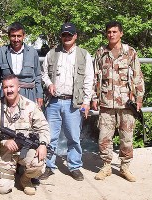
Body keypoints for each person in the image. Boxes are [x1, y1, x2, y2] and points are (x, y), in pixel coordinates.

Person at [39, 22, 94, 181]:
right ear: (61, 36)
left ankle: (74, 166)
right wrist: (49, 84)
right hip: (54, 102)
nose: (67, 37)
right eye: (64, 34)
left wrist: (86, 101)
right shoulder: (52, 53)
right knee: (50, 136)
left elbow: (89, 79)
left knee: (74, 137)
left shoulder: (84, 55)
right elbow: (43, 74)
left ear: (75, 36)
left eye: (70, 34)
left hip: (74, 103)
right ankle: (48, 166)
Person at [92, 21, 145, 182]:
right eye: (109, 32)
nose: (111, 34)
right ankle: (106, 166)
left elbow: (138, 76)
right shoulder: (100, 52)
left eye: (115, 32)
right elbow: (94, 77)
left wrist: (139, 98)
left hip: (126, 103)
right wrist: (94, 98)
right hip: (106, 103)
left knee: (126, 137)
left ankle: (125, 167)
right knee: (104, 137)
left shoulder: (130, 53)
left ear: (121, 33)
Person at [0, 74, 50, 195]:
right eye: (5, 87)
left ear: (18, 87)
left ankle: (25, 179)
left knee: (39, 164)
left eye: (11, 86)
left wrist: (43, 144)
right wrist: (4, 141)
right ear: (2, 89)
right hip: (4, 151)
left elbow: (44, 128)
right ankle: (3, 170)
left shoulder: (30, 106)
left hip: (25, 150)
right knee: (3, 189)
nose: (9, 90)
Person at [0, 22, 43, 107]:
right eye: (13, 36)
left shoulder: (32, 52)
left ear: (24, 36)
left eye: (19, 36)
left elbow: (38, 76)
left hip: (28, 94)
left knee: (27, 120)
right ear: (9, 36)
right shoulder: (0, 53)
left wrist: (39, 95)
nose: (16, 39)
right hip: (7, 95)